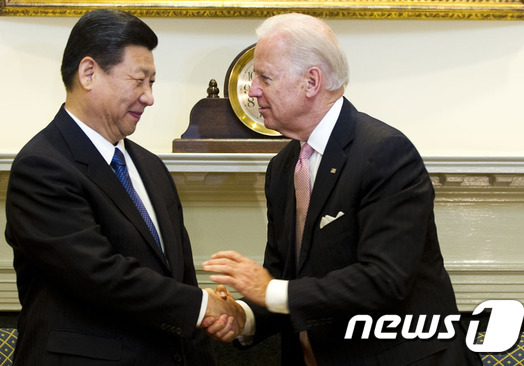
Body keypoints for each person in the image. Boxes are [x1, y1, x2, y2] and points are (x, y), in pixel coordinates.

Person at [202, 13, 482, 366]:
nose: (252, 89)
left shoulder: (384, 152)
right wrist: (244, 316)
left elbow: (385, 280)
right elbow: (287, 280)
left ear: (312, 81)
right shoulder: (283, 167)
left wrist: (270, 290)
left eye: (265, 77)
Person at [4, 9, 244, 365]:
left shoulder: (151, 167)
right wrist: (202, 306)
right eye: (139, 80)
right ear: (89, 73)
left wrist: (208, 320)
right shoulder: (42, 166)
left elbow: (179, 277)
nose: (149, 97)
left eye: (152, 83)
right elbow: (99, 275)